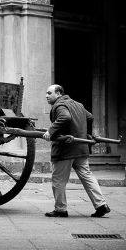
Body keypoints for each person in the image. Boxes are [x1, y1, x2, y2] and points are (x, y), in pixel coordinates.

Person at [42, 84, 110, 218]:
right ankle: (101, 205)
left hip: (65, 150)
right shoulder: (78, 104)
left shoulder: (59, 105)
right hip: (80, 148)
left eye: (49, 93)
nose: (47, 96)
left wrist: (50, 131)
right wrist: (83, 132)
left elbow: (65, 118)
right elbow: (90, 117)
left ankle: (61, 209)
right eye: (46, 93)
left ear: (59, 93)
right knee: (87, 177)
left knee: (59, 180)